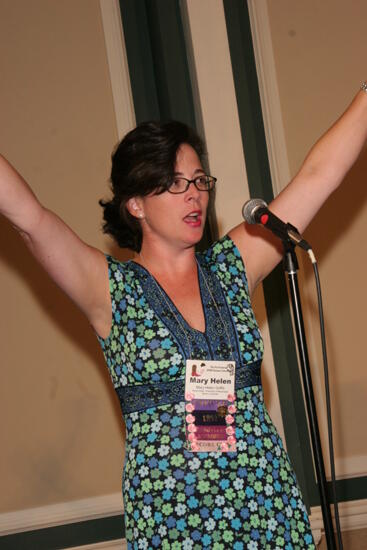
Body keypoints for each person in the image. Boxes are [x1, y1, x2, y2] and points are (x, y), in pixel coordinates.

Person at [1, 84, 367, 549]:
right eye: (174, 184)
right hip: (175, 521)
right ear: (135, 204)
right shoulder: (110, 290)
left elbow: (318, 176)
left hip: (265, 503)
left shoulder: (232, 266)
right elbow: (30, 218)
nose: (193, 195)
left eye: (199, 181)